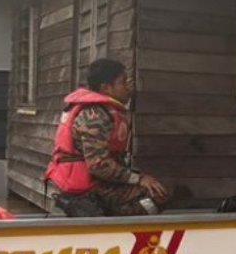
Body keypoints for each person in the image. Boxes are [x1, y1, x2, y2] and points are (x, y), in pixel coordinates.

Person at [44, 58, 168, 217]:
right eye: (123, 82)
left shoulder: (104, 110)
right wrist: (138, 179)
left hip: (97, 182)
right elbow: (98, 165)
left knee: (156, 190)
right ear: (106, 88)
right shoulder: (95, 116)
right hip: (90, 187)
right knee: (157, 196)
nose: (129, 86)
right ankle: (103, 219)